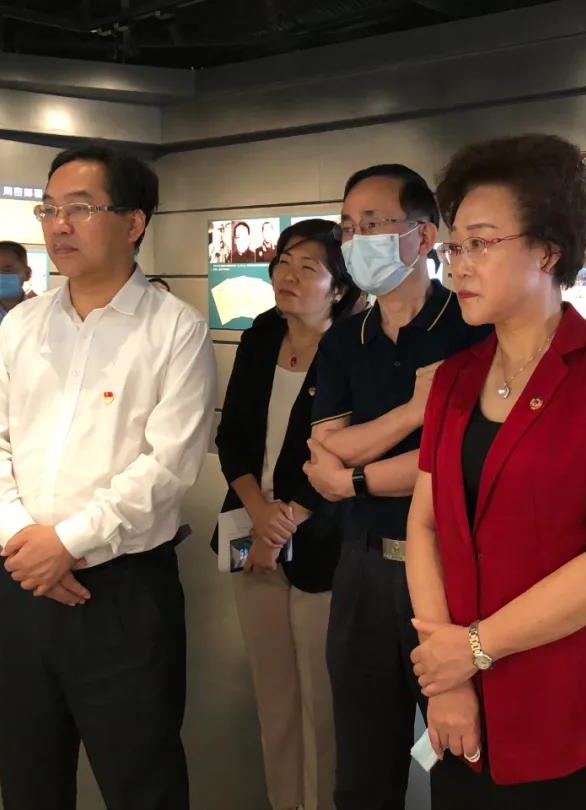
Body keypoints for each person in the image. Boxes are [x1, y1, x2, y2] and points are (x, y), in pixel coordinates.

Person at [405, 134, 586, 807]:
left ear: (548, 250)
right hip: (466, 705)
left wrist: (470, 649)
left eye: (481, 243)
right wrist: (450, 678)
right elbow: (425, 525)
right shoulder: (456, 378)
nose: (459, 266)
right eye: (454, 248)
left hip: (581, 707)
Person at [0, 144, 215, 810]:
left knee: (142, 781)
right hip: (20, 582)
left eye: (79, 208)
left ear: (133, 223)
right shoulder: (24, 325)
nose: (59, 225)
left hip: (122, 595)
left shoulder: (175, 330)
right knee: (29, 778)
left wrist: (67, 542)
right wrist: (23, 538)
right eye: (49, 209)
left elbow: (168, 465)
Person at [301, 164, 489, 809]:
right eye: (348, 227)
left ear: (423, 235)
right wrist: (414, 412)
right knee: (362, 761)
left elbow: (459, 459)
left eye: (373, 224)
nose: (356, 240)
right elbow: (326, 445)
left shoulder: (470, 326)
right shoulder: (346, 336)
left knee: (462, 756)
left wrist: (353, 479)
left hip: (453, 570)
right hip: (362, 569)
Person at [215, 218, 361, 810]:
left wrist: (287, 519)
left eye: (308, 267)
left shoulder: (354, 349)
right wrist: (260, 515)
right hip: (251, 527)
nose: (289, 276)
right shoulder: (260, 336)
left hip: (321, 538)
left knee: (321, 701)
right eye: (283, 263)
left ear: (339, 288)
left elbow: (346, 451)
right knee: (272, 692)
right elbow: (232, 436)